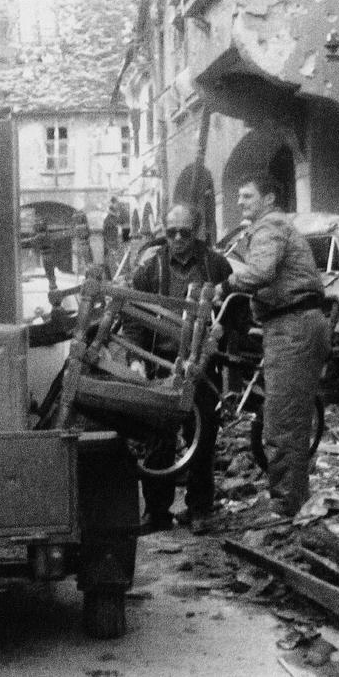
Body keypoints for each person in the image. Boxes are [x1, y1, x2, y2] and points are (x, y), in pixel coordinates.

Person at [226, 176, 330, 518]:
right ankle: (293, 500)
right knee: (289, 419)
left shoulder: (270, 225)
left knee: (282, 423)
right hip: (291, 323)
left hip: (293, 325)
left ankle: (286, 509)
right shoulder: (272, 226)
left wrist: (224, 282)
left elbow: (261, 272)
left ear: (269, 198)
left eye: (248, 195)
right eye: (239, 196)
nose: (241, 202)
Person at [127, 203, 232, 534]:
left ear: (195, 231)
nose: (177, 239)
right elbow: (133, 314)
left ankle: (199, 509)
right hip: (161, 364)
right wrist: (136, 360)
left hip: (201, 367)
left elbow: (235, 306)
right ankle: (157, 512)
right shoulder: (151, 268)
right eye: (170, 232)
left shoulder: (214, 264)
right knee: (158, 440)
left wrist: (222, 332)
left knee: (202, 439)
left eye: (184, 232)